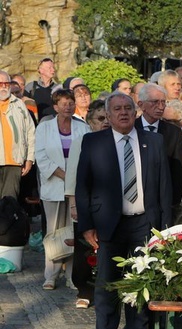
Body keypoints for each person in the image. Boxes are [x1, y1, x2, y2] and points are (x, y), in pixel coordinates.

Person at [76, 92, 172, 329]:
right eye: (117, 109)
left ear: (135, 111)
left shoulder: (154, 141)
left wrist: (165, 227)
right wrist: (86, 224)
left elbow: (164, 185)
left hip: (144, 221)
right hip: (109, 223)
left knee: (140, 280)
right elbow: (82, 186)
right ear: (108, 115)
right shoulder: (93, 142)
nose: (123, 113)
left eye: (128, 108)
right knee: (108, 281)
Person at [36, 88, 91, 290]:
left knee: (73, 233)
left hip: (76, 189)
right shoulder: (45, 128)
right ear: (55, 106)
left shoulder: (83, 127)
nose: (68, 106)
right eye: (64, 103)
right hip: (53, 185)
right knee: (53, 233)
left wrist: (75, 180)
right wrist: (65, 176)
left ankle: (72, 275)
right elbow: (41, 157)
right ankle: (51, 275)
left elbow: (87, 155)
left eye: (71, 103)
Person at [65, 100, 108, 308]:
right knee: (84, 249)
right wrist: (74, 205)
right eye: (101, 119)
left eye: (107, 117)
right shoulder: (82, 140)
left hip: (107, 205)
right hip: (85, 203)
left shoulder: (116, 140)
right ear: (90, 122)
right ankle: (84, 289)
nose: (105, 122)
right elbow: (72, 174)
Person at [135, 83, 182, 213]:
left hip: (163, 202)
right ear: (141, 105)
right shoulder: (131, 128)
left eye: (163, 102)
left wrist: (172, 202)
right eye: (154, 102)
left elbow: (178, 170)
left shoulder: (173, 132)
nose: (160, 107)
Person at [0, 71, 36, 199]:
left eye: (7, 83)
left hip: (14, 162)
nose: (4, 87)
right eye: (0, 84)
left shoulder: (19, 105)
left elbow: (31, 133)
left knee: (9, 204)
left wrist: (30, 159)